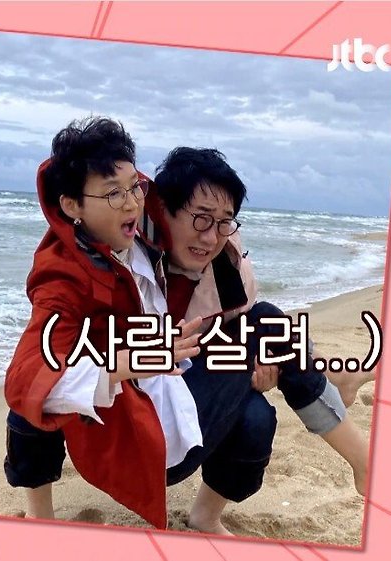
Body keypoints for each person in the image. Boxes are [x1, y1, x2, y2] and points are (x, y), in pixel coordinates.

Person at [4, 116, 279, 531]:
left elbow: (201, 216)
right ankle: (39, 513)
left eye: (133, 186)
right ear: (72, 206)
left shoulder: (147, 217)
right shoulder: (62, 276)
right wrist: (123, 362)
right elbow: (24, 378)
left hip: (175, 390)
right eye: (113, 193)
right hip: (118, 419)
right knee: (34, 389)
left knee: (258, 408)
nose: (131, 203)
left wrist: (261, 362)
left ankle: (206, 517)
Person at [143, 147, 369, 526]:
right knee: (264, 321)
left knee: (257, 416)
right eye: (200, 218)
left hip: (190, 416)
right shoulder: (127, 265)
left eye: (224, 222)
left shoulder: (228, 271)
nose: (211, 236)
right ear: (162, 209)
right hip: (145, 438)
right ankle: (360, 447)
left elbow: (233, 350)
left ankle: (205, 518)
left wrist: (251, 375)